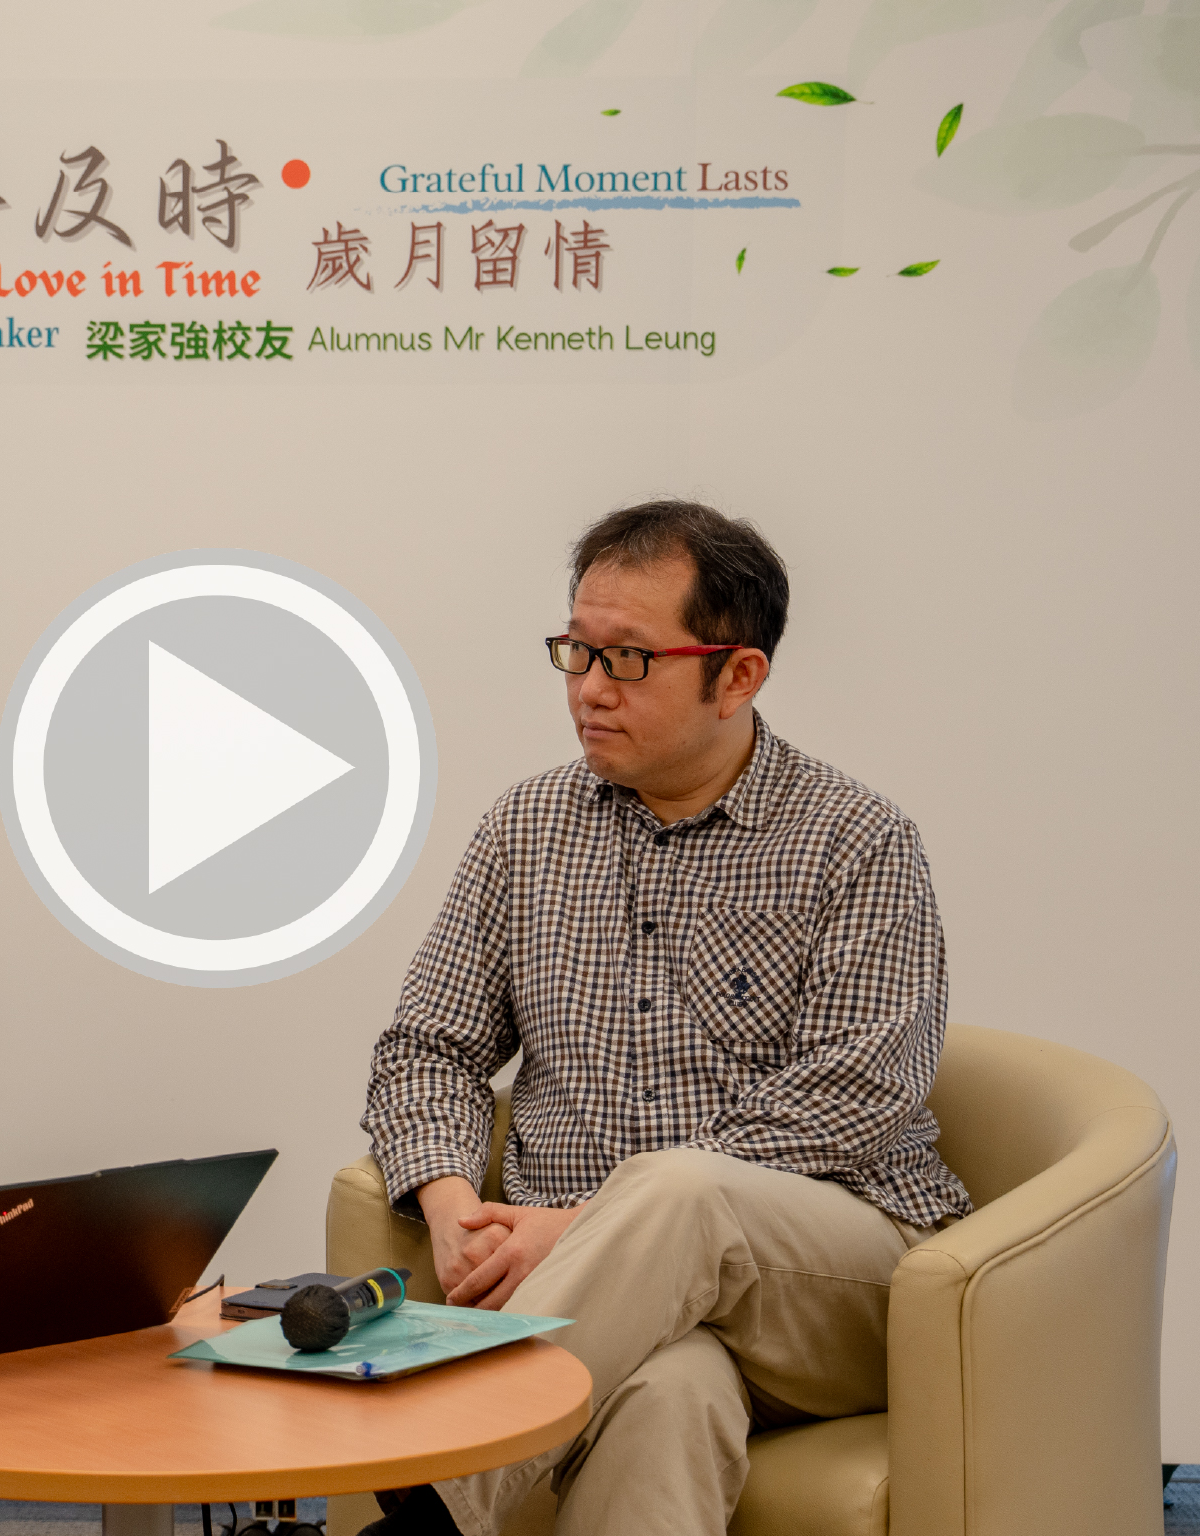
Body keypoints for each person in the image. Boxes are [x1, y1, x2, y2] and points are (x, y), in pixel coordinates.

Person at [360, 500, 969, 1536]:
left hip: (827, 1287)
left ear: (737, 676)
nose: (589, 690)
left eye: (629, 660)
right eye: (576, 652)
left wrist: (587, 1227)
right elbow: (426, 1047)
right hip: (603, 1306)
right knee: (669, 1396)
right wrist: (452, 1202)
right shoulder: (525, 828)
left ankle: (430, 1509)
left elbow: (857, 1093)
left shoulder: (856, 840)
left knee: (680, 1191)